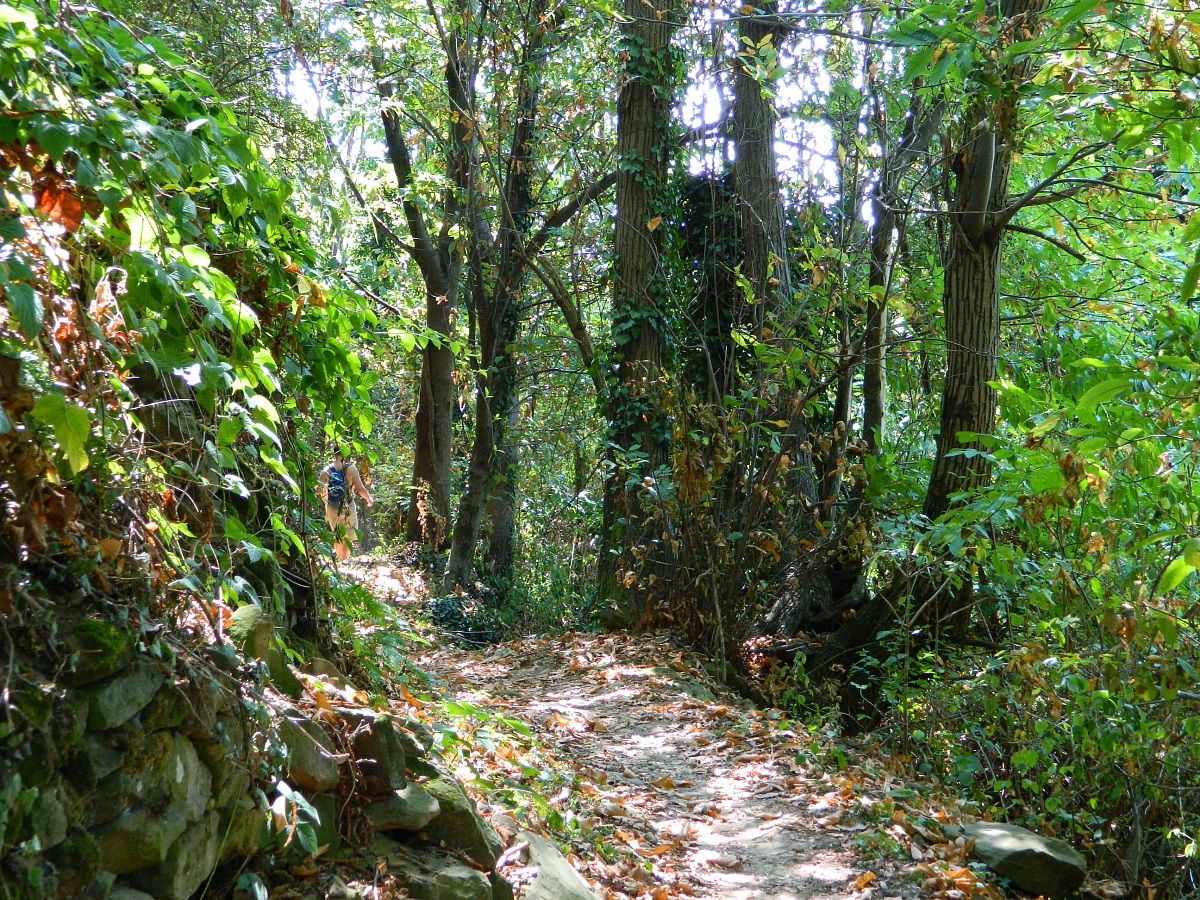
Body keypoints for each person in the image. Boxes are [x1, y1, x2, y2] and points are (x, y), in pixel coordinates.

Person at [318, 446, 373, 561]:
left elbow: (318, 490)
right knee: (348, 537)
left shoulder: (326, 470)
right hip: (348, 506)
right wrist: (369, 499)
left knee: (338, 535)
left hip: (332, 507)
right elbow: (360, 489)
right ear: (345, 454)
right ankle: (345, 561)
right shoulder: (351, 469)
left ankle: (339, 561)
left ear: (334, 454)